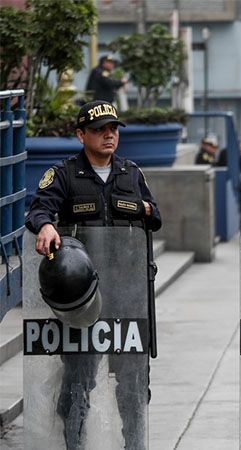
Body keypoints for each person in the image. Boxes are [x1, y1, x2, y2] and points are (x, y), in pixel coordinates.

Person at [25, 100, 161, 448]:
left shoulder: (131, 173)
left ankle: (134, 443)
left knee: (131, 383)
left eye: (113, 129)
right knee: (79, 380)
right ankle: (75, 442)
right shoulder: (65, 174)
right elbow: (40, 208)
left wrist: (144, 209)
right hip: (84, 298)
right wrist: (46, 227)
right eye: (100, 130)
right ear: (81, 135)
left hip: (127, 293)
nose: (109, 135)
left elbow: (154, 216)